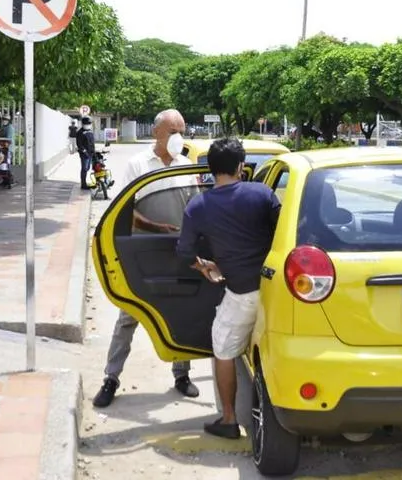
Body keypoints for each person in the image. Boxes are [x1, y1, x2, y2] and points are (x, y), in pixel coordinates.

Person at [93, 108, 200, 408]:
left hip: (177, 251)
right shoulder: (138, 164)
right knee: (129, 315)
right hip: (143, 252)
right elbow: (125, 208)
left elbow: (193, 207)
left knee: (180, 312)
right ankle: (111, 379)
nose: (178, 137)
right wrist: (155, 227)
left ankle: (182, 374)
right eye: (172, 131)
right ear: (156, 132)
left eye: (181, 131)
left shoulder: (185, 166)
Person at [176, 138, 281, 439]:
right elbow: (283, 233)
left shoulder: (199, 206)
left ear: (210, 169)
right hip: (279, 289)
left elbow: (184, 253)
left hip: (242, 292)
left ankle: (229, 419)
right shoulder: (263, 194)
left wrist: (206, 267)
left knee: (223, 349)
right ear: (240, 166)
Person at [76, 116, 95, 190]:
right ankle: (83, 184)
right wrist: (85, 152)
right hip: (84, 154)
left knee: (87, 168)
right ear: (83, 124)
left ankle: (85, 182)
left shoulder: (90, 131)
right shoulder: (80, 132)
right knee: (84, 168)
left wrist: (94, 151)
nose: (88, 125)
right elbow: (79, 145)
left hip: (91, 153)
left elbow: (92, 142)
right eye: (87, 123)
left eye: (89, 123)